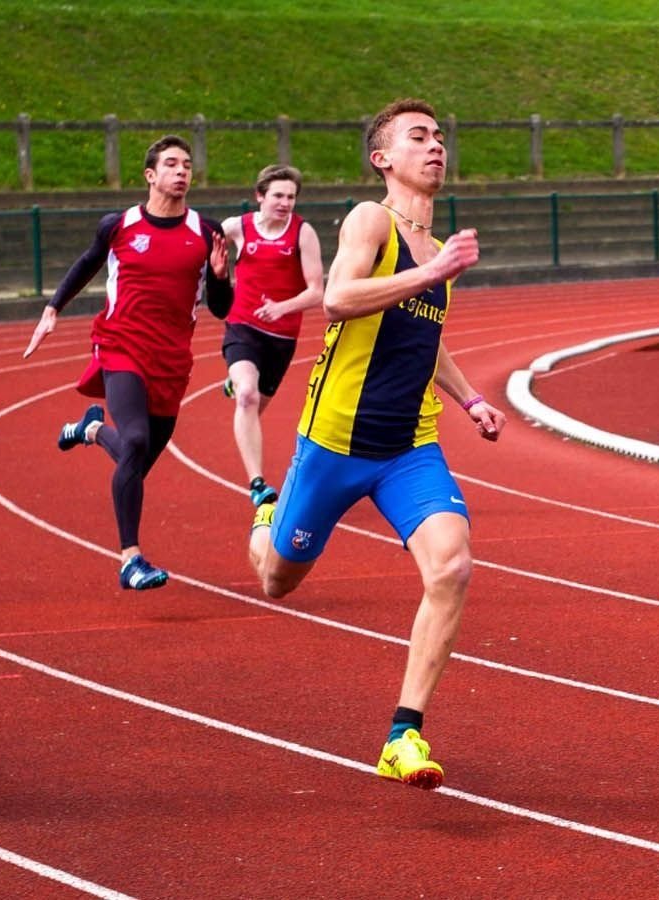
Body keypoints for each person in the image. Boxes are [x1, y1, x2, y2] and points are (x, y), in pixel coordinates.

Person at [246, 98, 505, 790]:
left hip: (408, 448)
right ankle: (266, 514)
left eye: (441, 136)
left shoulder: (433, 250)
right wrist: (433, 272)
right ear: (382, 159)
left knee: (451, 567)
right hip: (333, 442)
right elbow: (338, 297)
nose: (436, 146)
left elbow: (428, 337)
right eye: (417, 137)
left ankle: (403, 734)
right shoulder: (373, 221)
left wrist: (472, 397)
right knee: (276, 580)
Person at [22, 135, 232, 589]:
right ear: (151, 175)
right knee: (135, 441)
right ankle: (130, 559)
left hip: (172, 358)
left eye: (187, 165)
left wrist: (220, 277)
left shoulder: (206, 230)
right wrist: (52, 309)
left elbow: (221, 307)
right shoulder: (119, 225)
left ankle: (93, 430)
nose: (181, 172)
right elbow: (87, 263)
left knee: (136, 460)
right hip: (121, 345)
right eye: (171, 164)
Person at [219, 165, 324, 511]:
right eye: (278, 195)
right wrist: (217, 275)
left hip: (280, 337)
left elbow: (316, 292)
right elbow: (205, 259)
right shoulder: (238, 227)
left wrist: (283, 307)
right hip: (243, 327)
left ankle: (236, 381)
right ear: (260, 196)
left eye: (291, 197)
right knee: (247, 397)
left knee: (255, 406)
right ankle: (257, 484)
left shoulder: (302, 233)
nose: (285, 203)